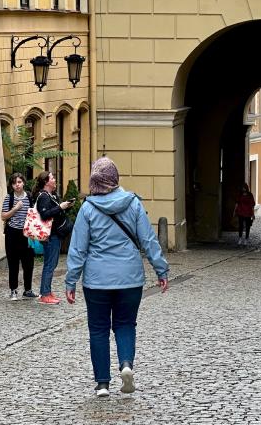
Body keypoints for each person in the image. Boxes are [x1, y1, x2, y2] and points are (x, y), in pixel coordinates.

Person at [65, 157, 169, 398]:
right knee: (125, 324)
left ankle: (102, 384)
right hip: (130, 279)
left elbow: (78, 249)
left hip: (97, 281)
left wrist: (71, 280)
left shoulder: (88, 209)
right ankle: (126, 365)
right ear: (116, 179)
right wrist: (161, 269)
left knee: (98, 330)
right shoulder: (133, 204)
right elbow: (148, 240)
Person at [33, 170, 74, 305]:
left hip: (55, 234)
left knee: (52, 264)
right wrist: (60, 207)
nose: (55, 180)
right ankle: (45, 294)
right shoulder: (43, 196)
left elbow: (55, 213)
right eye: (52, 178)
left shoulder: (52, 195)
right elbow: (45, 215)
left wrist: (65, 206)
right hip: (50, 236)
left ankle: (47, 291)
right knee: (50, 265)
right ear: (46, 182)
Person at [0, 172, 36, 300]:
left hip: (26, 233)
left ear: (24, 183)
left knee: (28, 263)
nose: (17, 185)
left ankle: (28, 289)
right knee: (13, 263)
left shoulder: (29, 197)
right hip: (12, 233)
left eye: (19, 182)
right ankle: (13, 290)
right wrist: (15, 208)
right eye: (14, 183)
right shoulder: (9, 198)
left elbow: (33, 214)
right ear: (12, 185)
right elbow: (3, 216)